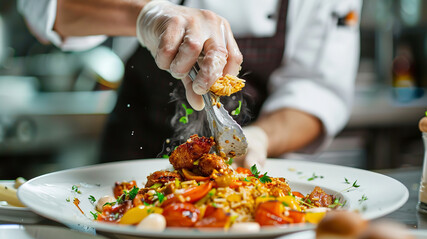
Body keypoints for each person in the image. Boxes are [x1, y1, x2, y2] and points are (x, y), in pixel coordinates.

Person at [18, 0, 361, 168]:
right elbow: (45, 8)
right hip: (124, 173)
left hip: (254, 181)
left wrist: (259, 138)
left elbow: (318, 91)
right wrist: (145, 15)